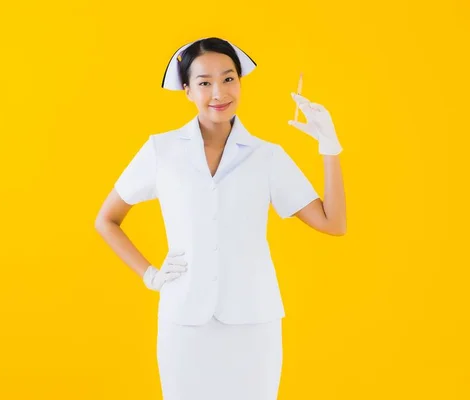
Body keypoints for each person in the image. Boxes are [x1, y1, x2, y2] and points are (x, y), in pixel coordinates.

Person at [94, 36, 347, 400]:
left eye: (229, 79)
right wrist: (150, 275)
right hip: (184, 320)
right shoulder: (161, 150)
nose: (218, 92)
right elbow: (107, 220)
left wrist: (329, 147)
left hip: (253, 320)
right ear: (186, 90)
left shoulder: (267, 156)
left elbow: (333, 222)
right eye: (204, 82)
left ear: (240, 83)